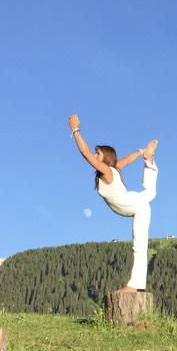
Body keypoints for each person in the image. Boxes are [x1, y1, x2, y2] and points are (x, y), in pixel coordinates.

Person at [68, 113, 158, 292]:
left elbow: (85, 154)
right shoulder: (114, 168)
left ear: (105, 156)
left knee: (139, 242)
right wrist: (141, 152)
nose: (95, 155)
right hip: (134, 205)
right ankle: (149, 159)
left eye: (98, 153)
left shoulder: (107, 171)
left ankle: (135, 285)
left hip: (132, 204)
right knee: (149, 197)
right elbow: (127, 159)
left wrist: (75, 130)